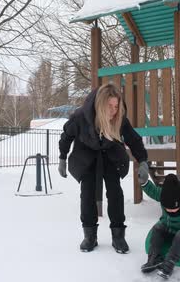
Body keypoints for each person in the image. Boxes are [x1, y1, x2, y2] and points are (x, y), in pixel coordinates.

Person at [58, 84, 149, 253]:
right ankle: (90, 236)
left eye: (116, 106)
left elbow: (134, 140)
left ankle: (118, 236)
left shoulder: (119, 118)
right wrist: (62, 157)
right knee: (87, 193)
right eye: (110, 106)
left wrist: (143, 161)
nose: (114, 110)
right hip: (86, 156)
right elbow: (66, 136)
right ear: (100, 104)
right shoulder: (80, 117)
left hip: (111, 154)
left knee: (115, 192)